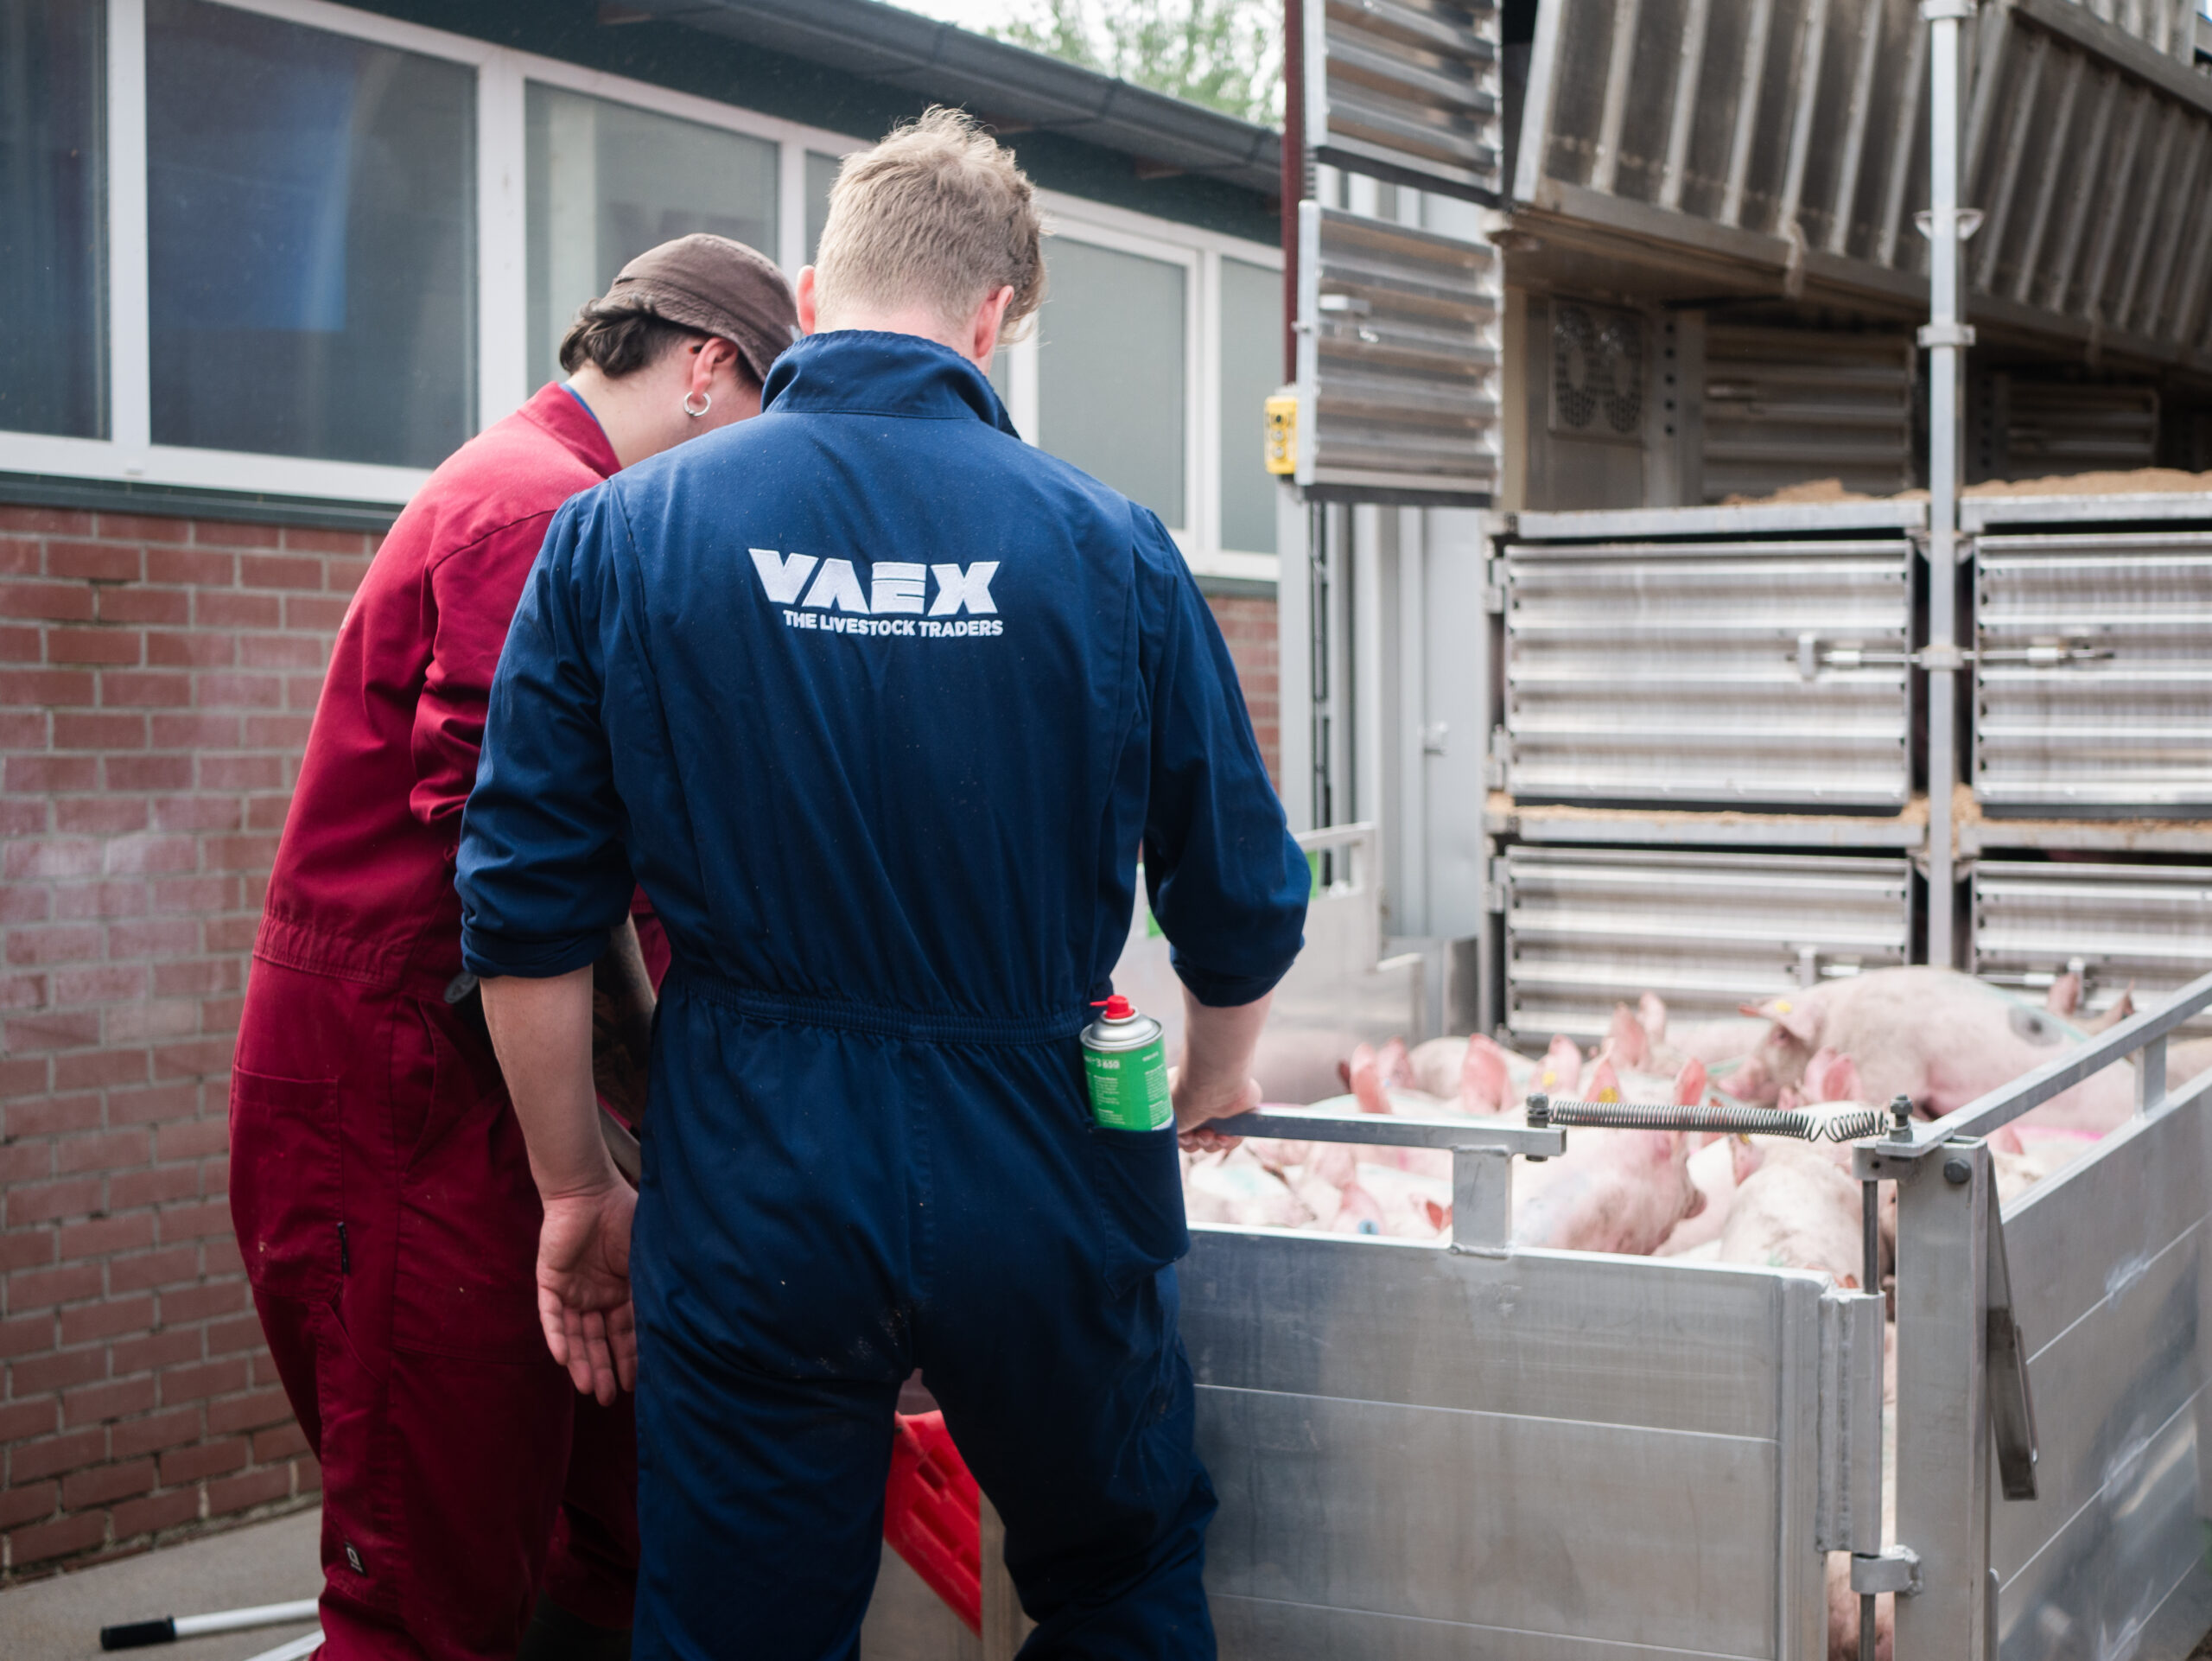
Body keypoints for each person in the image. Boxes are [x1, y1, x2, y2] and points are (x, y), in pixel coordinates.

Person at [455, 109, 1309, 1658]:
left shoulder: (617, 539)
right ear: (994, 321)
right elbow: (1239, 899)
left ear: (812, 288)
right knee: (1117, 1574)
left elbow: (522, 913)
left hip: (760, 1172)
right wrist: (1204, 1086)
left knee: (737, 1628)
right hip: (1045, 1155)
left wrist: (578, 1188)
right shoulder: (1114, 552)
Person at [229, 236, 798, 1661]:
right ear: (709, 370)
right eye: (765, 433)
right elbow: (530, 877)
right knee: (425, 1588)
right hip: (403, 1102)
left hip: (499, 1095)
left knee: (606, 1525)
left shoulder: (580, 512)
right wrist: (616, 1153)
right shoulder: (535, 513)